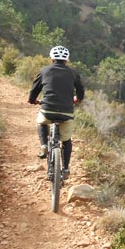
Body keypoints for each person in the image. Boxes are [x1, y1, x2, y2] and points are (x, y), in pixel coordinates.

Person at [28, 45, 85, 179]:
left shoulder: (44, 71)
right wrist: (77, 99)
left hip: (47, 110)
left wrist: (33, 100)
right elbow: (81, 92)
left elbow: (34, 91)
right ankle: (65, 169)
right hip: (66, 111)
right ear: (67, 60)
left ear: (52, 59)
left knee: (41, 122)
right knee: (66, 140)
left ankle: (43, 146)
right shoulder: (73, 73)